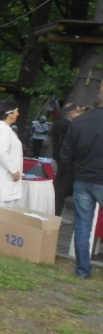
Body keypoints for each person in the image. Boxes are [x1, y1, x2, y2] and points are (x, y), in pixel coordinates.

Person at [60, 88, 103, 279]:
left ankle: (83, 270)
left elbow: (65, 155)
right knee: (83, 226)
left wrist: (77, 171)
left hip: (83, 179)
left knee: (82, 227)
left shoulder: (79, 121)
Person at [52, 104, 88, 216]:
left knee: (61, 190)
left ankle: (57, 214)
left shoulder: (64, 123)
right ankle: (56, 215)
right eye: (79, 113)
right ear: (72, 114)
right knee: (61, 191)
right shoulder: (67, 125)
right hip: (66, 163)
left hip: (64, 161)